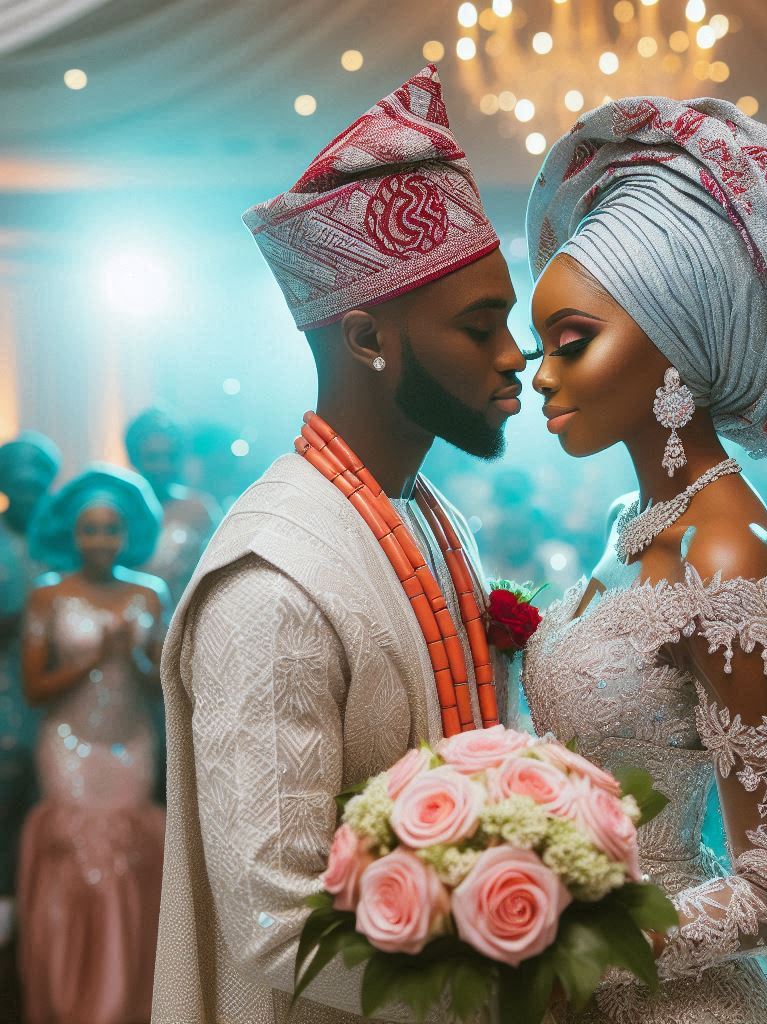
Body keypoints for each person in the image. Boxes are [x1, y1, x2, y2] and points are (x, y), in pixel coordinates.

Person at [521, 95, 767, 1023]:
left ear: (677, 345)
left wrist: (561, 945)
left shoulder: (727, 546)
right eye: (543, 346)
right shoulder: (635, 517)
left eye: (573, 343)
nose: (542, 374)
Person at [152, 66, 527, 1023]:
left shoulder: (426, 510)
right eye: (482, 327)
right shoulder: (272, 588)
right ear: (368, 339)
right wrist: (525, 957)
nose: (514, 355)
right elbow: (281, 920)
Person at [18, 464, 167, 1024]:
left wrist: (130, 655)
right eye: (90, 529)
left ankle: (126, 1000)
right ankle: (70, 999)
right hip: (68, 745)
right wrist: (91, 658)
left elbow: (164, 687)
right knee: (79, 862)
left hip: (132, 743)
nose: (101, 540)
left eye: (111, 529)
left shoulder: (150, 594)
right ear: (72, 533)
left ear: (127, 534)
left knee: (129, 859)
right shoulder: (47, 595)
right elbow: (34, 689)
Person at [0, 432, 60, 948]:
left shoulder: (66, 543)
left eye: (38, 472)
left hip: (64, 714)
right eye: (16, 472)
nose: (27, 482)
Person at [125, 407, 220, 608]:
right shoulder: (119, 509)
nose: (163, 466)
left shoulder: (200, 509)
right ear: (134, 458)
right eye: (152, 457)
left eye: (171, 456)